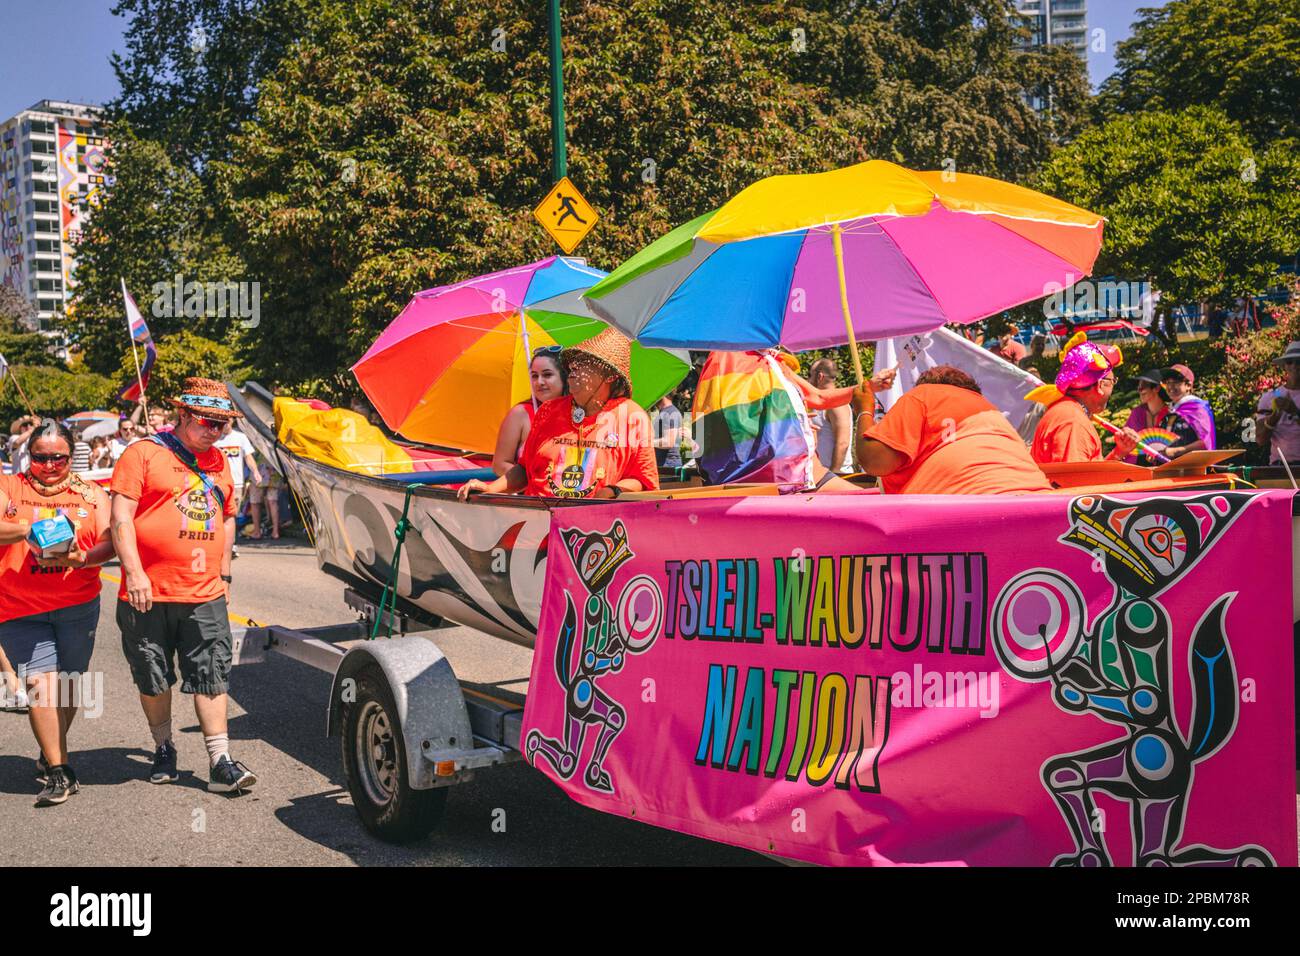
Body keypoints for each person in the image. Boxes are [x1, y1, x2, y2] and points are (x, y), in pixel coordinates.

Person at [110, 378, 256, 794]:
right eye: (210, 421)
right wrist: (134, 572)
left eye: (224, 424)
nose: (217, 431)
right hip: (147, 593)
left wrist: (225, 572)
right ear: (184, 415)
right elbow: (121, 518)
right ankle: (163, 746)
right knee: (153, 677)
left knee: (212, 672)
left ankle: (220, 760)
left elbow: (227, 515)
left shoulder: (219, 462)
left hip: (204, 591)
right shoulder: (143, 453)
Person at [0, 419, 114, 805]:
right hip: (20, 607)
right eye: (40, 457)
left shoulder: (92, 494)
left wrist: (83, 558)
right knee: (41, 686)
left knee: (68, 685)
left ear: (72, 455)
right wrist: (27, 528)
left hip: (77, 605)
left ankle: (51, 750)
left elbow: (110, 543)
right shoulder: (11, 487)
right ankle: (60, 770)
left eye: (58, 458)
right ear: (28, 455)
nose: (48, 465)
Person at [458, 328, 658, 500]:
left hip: (593, 533)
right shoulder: (549, 411)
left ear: (610, 376)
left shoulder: (632, 416)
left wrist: (612, 491)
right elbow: (525, 470)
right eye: (572, 365)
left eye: (583, 365)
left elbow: (643, 480)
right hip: (536, 526)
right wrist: (491, 488)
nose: (572, 371)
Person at [693, 349, 895, 493]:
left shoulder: (775, 363)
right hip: (773, 481)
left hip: (808, 474)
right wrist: (786, 421)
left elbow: (818, 398)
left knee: (873, 504)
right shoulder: (728, 358)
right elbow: (730, 423)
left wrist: (870, 386)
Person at [855, 366, 1051, 495]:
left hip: (965, 516)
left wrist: (863, 409)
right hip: (1039, 504)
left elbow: (875, 461)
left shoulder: (923, 395)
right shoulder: (992, 412)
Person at [1027, 332, 1140, 464]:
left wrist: (1119, 453)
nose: (1113, 387)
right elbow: (1075, 481)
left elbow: (1089, 473)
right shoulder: (1073, 421)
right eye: (1112, 381)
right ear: (1100, 384)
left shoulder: (1067, 411)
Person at [491, 345, 566, 476]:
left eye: (547, 375)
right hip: (529, 494)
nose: (539, 382)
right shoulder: (520, 414)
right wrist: (534, 480)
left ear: (564, 377)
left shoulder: (578, 413)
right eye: (534, 376)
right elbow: (500, 465)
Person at [1256, 340, 1300, 467]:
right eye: (1290, 361)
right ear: (1284, 366)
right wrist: (1273, 419)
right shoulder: (1270, 397)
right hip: (1279, 468)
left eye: (1299, 362)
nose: (1294, 366)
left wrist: (1295, 412)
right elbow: (1260, 439)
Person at [215, 421, 262, 537]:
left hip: (236, 483)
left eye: (227, 421)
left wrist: (255, 471)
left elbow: (248, 457)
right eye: (222, 422)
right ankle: (220, 540)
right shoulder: (214, 437)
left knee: (233, 513)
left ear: (231, 420)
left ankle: (231, 541)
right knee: (218, 512)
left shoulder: (240, 437)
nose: (225, 424)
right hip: (218, 482)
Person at [807, 358, 854, 475]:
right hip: (821, 475)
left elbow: (843, 442)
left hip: (837, 475)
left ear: (820, 377)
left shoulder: (836, 404)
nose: (807, 380)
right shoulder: (822, 403)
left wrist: (833, 475)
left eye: (810, 375)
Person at [1159, 364, 1216, 458]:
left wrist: (1176, 451)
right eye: (1168, 382)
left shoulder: (1197, 408)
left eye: (1176, 382)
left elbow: (1205, 443)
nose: (1170, 386)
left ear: (1188, 385)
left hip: (1194, 469)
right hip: (1171, 469)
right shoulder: (1171, 411)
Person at [1122, 369, 1172, 465]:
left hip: (1165, 465)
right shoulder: (1137, 413)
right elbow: (1126, 443)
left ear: (1156, 388)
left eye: (1143, 386)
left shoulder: (1170, 414)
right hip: (1137, 466)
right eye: (1138, 387)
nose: (1139, 390)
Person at [247, 454, 284, 539]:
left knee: (255, 502)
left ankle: (257, 532)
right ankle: (275, 532)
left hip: (258, 468)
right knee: (273, 501)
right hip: (273, 467)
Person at [652, 393, 685, 474]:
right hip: (664, 465)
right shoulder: (665, 412)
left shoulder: (670, 413)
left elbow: (668, 442)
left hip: (668, 466)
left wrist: (645, 442)